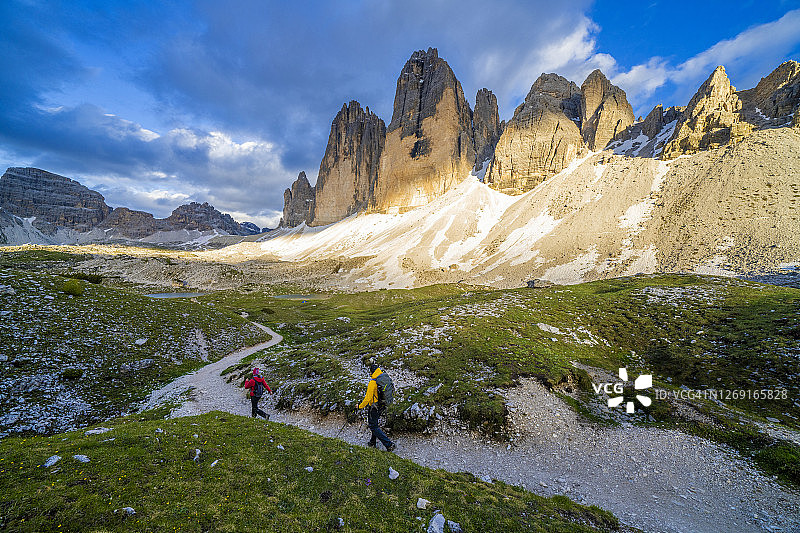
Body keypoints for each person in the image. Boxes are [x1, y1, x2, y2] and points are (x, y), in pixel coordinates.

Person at [357, 363, 396, 452]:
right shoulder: (383, 377)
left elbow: (367, 399)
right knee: (374, 424)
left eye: (370, 372)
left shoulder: (373, 383)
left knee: (373, 426)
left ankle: (389, 445)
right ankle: (372, 442)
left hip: (374, 407)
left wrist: (359, 406)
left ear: (372, 372)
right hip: (382, 405)